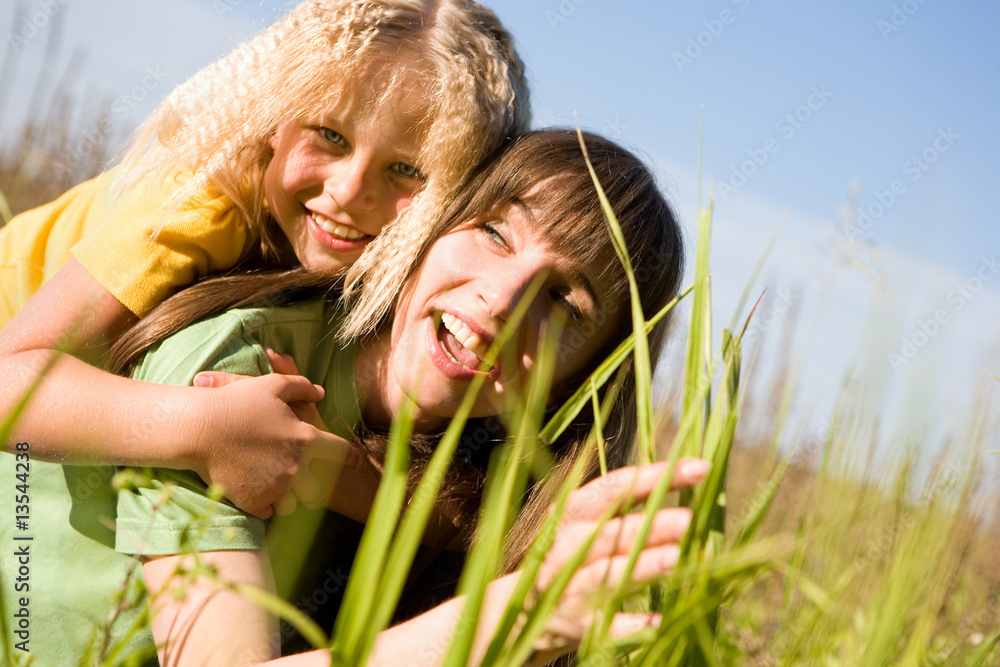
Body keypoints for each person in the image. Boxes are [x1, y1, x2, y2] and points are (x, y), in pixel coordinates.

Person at [0, 130, 688, 665]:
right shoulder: (240, 375)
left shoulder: (473, 495)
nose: (504, 300)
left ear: (582, 381)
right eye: (495, 231)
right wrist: (505, 617)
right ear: (432, 223)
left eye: (565, 302)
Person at [0, 0, 530, 518]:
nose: (349, 191)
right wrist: (201, 428)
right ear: (276, 116)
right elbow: (8, 385)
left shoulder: (424, 278)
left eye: (408, 170)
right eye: (330, 135)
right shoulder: (202, 204)